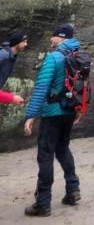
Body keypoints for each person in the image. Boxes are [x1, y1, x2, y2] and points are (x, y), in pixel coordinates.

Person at [23, 24, 81, 217]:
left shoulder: (54, 57)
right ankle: (73, 190)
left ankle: (43, 203)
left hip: (53, 113)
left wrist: (31, 115)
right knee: (63, 148)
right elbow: (84, 85)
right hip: (70, 110)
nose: (51, 39)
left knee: (45, 154)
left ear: (62, 38)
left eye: (54, 36)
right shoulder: (79, 57)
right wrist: (79, 109)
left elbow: (41, 87)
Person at [0, 31, 28, 106]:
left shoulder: (12, 57)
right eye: (24, 42)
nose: (26, 44)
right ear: (17, 42)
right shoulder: (3, 54)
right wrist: (10, 98)